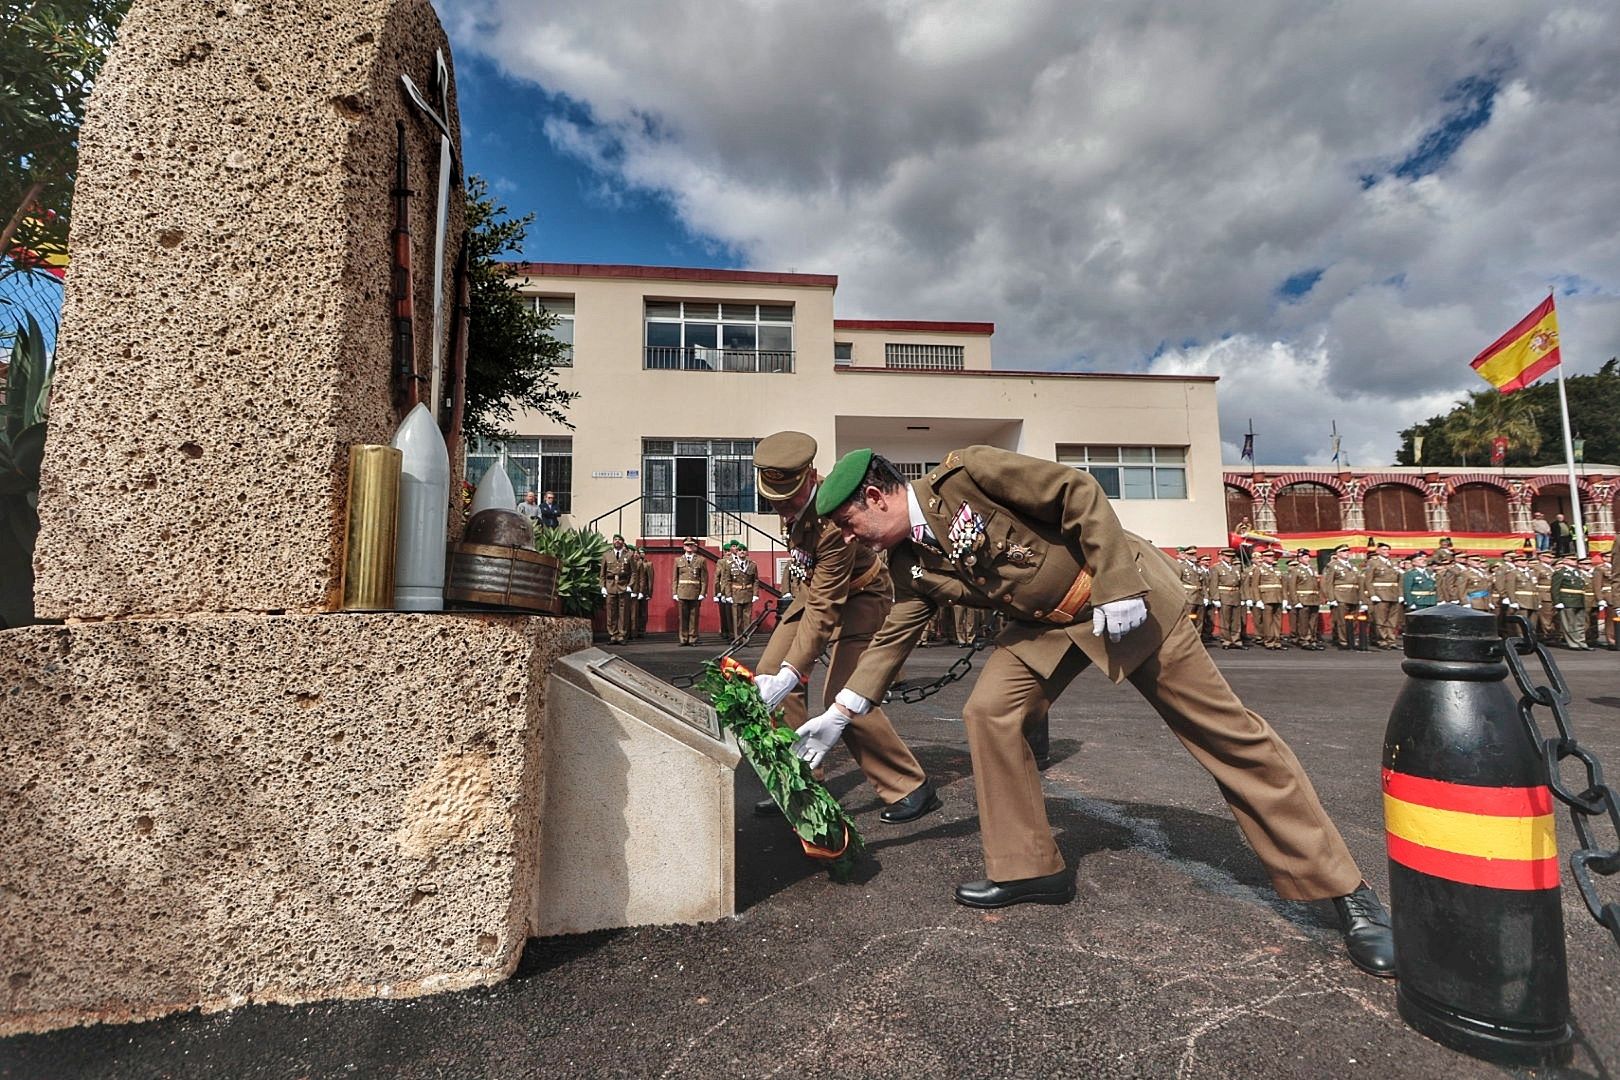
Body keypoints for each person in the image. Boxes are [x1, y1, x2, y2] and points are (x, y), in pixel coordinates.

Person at [810, 447, 1394, 977]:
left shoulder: (971, 475)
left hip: (1121, 596)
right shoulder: (907, 559)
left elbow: (1079, 491)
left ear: (876, 497)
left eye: (849, 524)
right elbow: (896, 631)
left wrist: (1117, 587)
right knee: (990, 713)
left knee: (1225, 735)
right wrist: (844, 709)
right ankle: (1029, 867)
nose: (852, 537)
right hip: (1047, 625)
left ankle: (1346, 891)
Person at [746, 431, 940, 823]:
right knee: (769, 677)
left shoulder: (832, 520)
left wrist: (794, 669)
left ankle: (909, 786)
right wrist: (785, 673)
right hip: (815, 590)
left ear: (811, 477)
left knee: (846, 693)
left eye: (790, 500)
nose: (783, 508)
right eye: (775, 501)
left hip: (862, 596)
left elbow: (826, 605)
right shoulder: (794, 504)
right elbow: (815, 590)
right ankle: (800, 782)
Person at [1360, 542, 1403, 650]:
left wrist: (1400, 594)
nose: (1386, 552)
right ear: (1378, 551)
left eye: (1388, 550)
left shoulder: (1393, 563)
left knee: (1392, 619)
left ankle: (1391, 640)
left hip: (1393, 593)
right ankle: (1382, 640)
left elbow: (1399, 580)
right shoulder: (1373, 562)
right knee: (1381, 619)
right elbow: (1368, 580)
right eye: (1383, 549)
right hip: (1380, 593)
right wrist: (1372, 594)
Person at [1246, 547, 1288, 650]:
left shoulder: (1276, 569)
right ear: (1263, 557)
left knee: (1277, 621)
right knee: (1268, 621)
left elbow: (1282, 585)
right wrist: (1258, 600)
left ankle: (1277, 641)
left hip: (1277, 597)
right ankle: (1269, 641)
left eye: (1272, 556)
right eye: (1268, 556)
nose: (1271, 558)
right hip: (1266, 597)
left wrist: (1285, 598)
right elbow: (1255, 585)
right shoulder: (1258, 569)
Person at [1323, 544, 1362, 649]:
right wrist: (1331, 598)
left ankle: (1352, 638)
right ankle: (1344, 640)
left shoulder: (1352, 565)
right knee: (1342, 620)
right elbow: (1329, 583)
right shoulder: (1332, 565)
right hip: (1340, 595)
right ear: (1338, 553)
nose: (1347, 553)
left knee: (1354, 620)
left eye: (1347, 551)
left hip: (1354, 595)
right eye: (1344, 551)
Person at [1285, 548, 1324, 649]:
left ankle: (1312, 639)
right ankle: (1304, 640)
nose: (1308, 559)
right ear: (1300, 559)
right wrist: (1295, 601)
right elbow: (1292, 587)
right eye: (1305, 557)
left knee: (1313, 621)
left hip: (1313, 599)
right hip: (1303, 599)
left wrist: (1320, 597)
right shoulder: (1296, 570)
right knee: (1304, 622)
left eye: (1308, 557)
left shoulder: (1312, 569)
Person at [599, 533, 634, 645]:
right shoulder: (607, 555)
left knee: (623, 613)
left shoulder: (629, 555)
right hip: (610, 585)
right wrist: (602, 587)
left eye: (619, 540)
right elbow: (602, 573)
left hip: (623, 585)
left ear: (623, 542)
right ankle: (613, 635)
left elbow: (633, 573)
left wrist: (630, 585)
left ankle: (622, 635)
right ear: (612, 542)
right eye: (615, 539)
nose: (617, 541)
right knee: (611, 612)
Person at [672, 537, 707, 646]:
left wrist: (703, 593)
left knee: (694, 616)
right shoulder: (678, 560)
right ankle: (683, 638)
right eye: (687, 545)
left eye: (691, 545)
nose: (689, 547)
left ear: (695, 547)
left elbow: (704, 578)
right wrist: (674, 592)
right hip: (682, 591)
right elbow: (675, 578)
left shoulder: (701, 560)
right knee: (683, 617)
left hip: (695, 591)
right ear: (683, 547)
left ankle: (693, 638)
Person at [1552, 554, 1590, 649]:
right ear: (1565, 561)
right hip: (1567, 600)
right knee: (1569, 623)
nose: (1574, 561)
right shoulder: (1560, 573)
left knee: (1580, 623)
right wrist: (1557, 601)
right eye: (1572, 559)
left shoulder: (1578, 572)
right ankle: (1573, 643)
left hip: (1579, 600)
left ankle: (1581, 642)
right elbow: (1555, 588)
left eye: (1575, 559)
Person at [723, 541, 760, 639]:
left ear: (747, 552)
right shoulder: (730, 564)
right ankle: (737, 638)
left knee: (747, 617)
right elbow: (727, 581)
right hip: (736, 594)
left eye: (744, 550)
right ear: (736, 552)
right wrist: (728, 595)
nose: (742, 552)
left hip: (748, 593)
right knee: (736, 618)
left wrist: (755, 594)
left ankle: (746, 638)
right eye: (739, 550)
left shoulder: (752, 565)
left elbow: (755, 580)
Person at [1212, 548, 1247, 649]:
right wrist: (1216, 598)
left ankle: (1236, 640)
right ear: (1222, 556)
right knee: (1225, 620)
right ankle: (1226, 640)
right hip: (1224, 595)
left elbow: (1241, 584)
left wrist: (1243, 597)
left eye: (1231, 556)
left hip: (1236, 595)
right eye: (1228, 556)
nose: (1230, 558)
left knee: (1236, 620)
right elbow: (1214, 584)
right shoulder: (1217, 568)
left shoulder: (1236, 568)